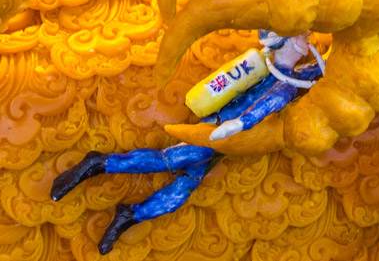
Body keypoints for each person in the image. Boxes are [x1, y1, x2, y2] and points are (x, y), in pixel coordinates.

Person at [50, 30, 325, 255]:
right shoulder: (279, 77)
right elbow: (264, 106)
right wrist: (239, 125)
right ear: (286, 40)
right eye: (301, 36)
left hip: (229, 143)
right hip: (217, 131)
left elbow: (319, 71)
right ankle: (100, 163)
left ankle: (129, 214)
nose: (307, 40)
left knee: (183, 187)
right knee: (168, 160)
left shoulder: (292, 76)